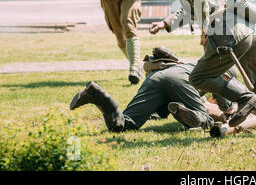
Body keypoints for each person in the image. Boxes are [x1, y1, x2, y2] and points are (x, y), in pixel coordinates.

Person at [69, 48, 237, 132]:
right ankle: (186, 113)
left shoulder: (191, 65)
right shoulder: (218, 72)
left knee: (124, 124)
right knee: (205, 120)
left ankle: (99, 96)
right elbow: (225, 102)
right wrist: (230, 110)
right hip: (180, 81)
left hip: (154, 79)